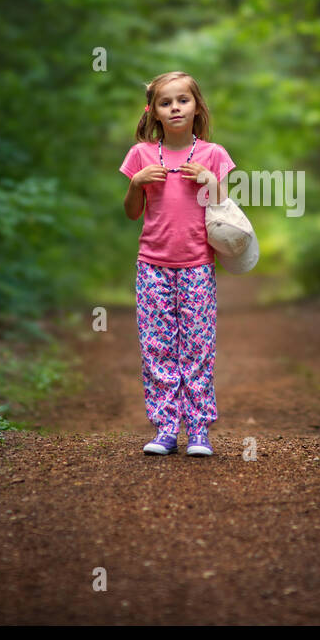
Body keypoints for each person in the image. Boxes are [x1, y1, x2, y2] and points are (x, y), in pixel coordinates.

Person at [119, 71, 236, 457]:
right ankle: (166, 428)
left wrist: (209, 180)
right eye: (165, 102)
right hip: (152, 264)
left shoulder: (213, 154)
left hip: (198, 264)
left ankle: (199, 430)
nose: (174, 108)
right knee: (157, 348)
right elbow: (131, 214)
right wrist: (135, 184)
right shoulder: (140, 155)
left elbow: (224, 209)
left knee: (197, 348)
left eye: (182, 100)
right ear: (152, 111)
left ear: (196, 106)